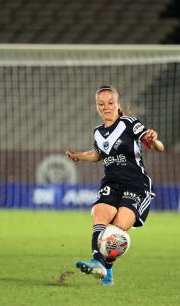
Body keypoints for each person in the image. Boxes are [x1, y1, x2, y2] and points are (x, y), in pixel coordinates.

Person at [66, 85, 164, 285]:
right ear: (97, 107)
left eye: (110, 103)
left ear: (117, 104)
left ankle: (105, 269)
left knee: (117, 231)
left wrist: (153, 140)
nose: (106, 107)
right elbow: (97, 154)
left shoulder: (129, 123)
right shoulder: (98, 132)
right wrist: (79, 156)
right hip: (112, 182)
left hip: (137, 185)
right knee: (99, 213)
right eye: (101, 104)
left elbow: (157, 145)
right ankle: (97, 262)